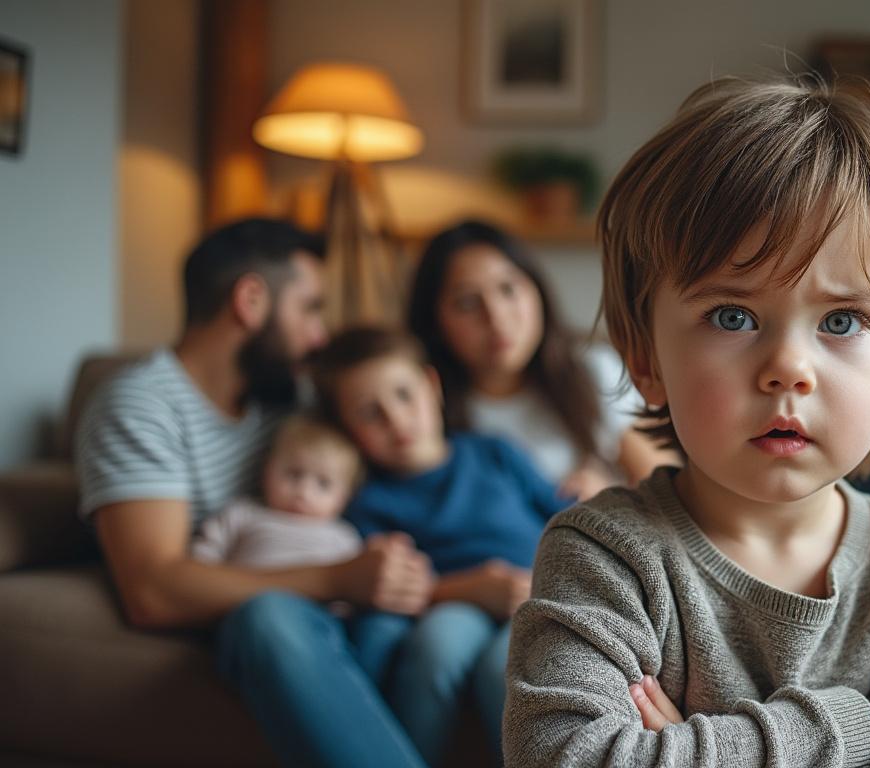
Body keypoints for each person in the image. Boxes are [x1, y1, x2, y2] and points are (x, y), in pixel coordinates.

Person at [503, 77, 870, 767]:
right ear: (645, 358)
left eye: (842, 321)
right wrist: (868, 728)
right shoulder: (603, 558)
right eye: (733, 316)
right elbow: (567, 759)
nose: (788, 369)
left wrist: (683, 747)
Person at [75, 218, 436, 768]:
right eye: (310, 308)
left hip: (338, 607)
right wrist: (339, 578)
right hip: (264, 614)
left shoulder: (283, 401)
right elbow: (153, 590)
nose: (320, 335)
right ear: (250, 301)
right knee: (266, 616)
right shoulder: (140, 404)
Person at [309, 326, 571, 766]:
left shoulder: (493, 453)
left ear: (432, 387)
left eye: (404, 395)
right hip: (451, 602)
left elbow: (565, 515)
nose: (396, 420)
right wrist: (469, 589)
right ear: (347, 430)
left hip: (535, 591)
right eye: (370, 413)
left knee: (502, 668)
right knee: (435, 646)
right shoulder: (370, 503)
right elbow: (389, 588)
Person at [407, 220, 668, 501]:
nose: (496, 317)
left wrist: (610, 498)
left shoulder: (590, 368)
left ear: (537, 290)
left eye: (507, 289)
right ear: (434, 321)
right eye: (467, 303)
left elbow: (663, 484)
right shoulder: (420, 405)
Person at [191, 413, 363, 571]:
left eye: (323, 484)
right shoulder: (244, 513)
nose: (303, 492)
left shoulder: (343, 537)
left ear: (344, 497)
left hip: (309, 603)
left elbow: (353, 585)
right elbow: (204, 554)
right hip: (245, 597)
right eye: (294, 474)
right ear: (267, 471)